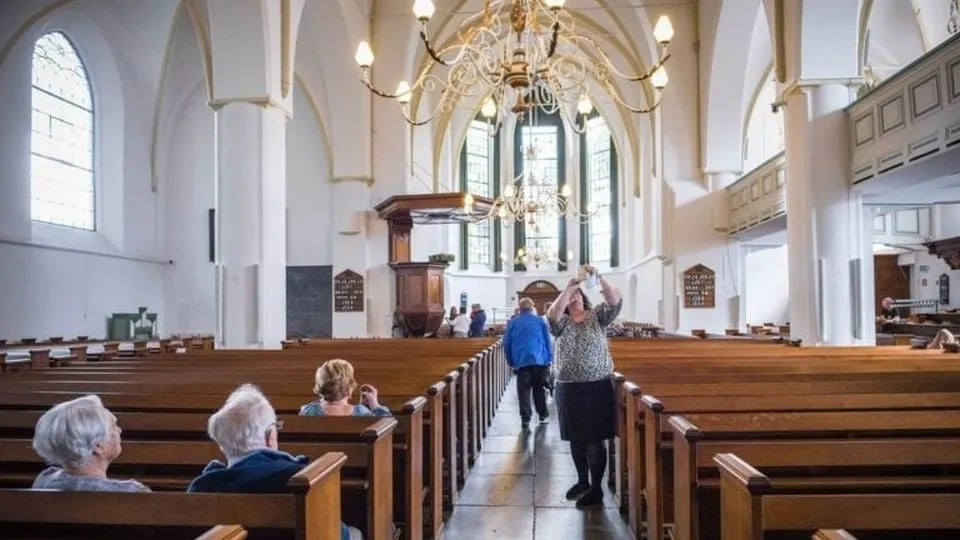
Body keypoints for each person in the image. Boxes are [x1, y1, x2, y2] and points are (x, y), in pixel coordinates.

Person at [188, 384, 361, 540]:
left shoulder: (200, 488)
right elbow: (335, 535)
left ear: (222, 444)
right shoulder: (302, 479)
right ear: (270, 436)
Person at [546, 265, 622, 508]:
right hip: (568, 387)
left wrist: (598, 278)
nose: (574, 297)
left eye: (578, 294)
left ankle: (596, 487)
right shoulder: (562, 323)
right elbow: (551, 315)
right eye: (570, 296)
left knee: (594, 440)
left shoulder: (597, 316)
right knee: (575, 439)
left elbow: (613, 300)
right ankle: (582, 481)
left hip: (596, 386)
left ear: (585, 298)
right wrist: (567, 289)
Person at [31, 395, 150, 492]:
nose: (119, 430)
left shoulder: (44, 480)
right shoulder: (132, 493)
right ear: (98, 446)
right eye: (113, 427)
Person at [503, 297, 553, 429]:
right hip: (539, 360)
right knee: (539, 388)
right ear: (532, 307)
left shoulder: (513, 322)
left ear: (520, 308)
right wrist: (549, 359)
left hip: (521, 360)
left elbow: (506, 343)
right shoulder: (539, 321)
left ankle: (525, 418)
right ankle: (542, 414)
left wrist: (510, 360)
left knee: (523, 389)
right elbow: (548, 341)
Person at [299, 359, 392, 416]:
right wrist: (375, 405)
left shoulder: (308, 411)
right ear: (350, 386)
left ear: (320, 385)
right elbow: (386, 425)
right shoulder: (361, 412)